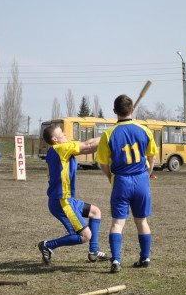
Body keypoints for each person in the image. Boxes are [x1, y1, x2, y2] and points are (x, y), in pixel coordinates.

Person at [95, 95, 158, 273]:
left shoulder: (108, 134)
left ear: (114, 111)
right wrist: (147, 174)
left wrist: (111, 178)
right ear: (132, 110)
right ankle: (145, 258)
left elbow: (103, 163)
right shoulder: (144, 130)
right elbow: (152, 156)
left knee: (117, 223)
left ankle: (116, 261)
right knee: (142, 221)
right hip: (141, 180)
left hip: (121, 180)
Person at [37, 125, 110, 265]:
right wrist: (111, 135)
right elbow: (88, 145)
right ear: (55, 139)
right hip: (62, 202)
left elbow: (89, 145)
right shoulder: (60, 149)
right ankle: (48, 245)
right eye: (61, 134)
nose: (65, 134)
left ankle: (94, 251)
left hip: (67, 200)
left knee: (95, 212)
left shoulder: (59, 151)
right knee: (85, 236)